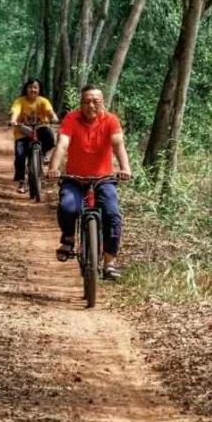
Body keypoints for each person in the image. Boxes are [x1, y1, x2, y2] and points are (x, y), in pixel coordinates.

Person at [47, 85, 132, 281]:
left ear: (103, 103)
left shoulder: (111, 120)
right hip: (74, 178)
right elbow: (62, 144)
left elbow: (118, 145)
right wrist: (53, 168)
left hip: (104, 179)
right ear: (80, 103)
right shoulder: (71, 119)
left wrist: (125, 168)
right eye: (86, 101)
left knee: (112, 214)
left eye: (95, 101)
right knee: (67, 207)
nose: (91, 105)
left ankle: (109, 263)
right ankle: (69, 238)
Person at [9, 78, 58, 193]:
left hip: (40, 129)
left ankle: (43, 154)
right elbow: (15, 111)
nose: (33, 90)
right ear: (26, 89)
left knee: (49, 135)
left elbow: (49, 111)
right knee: (20, 156)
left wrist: (53, 117)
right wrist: (13, 120)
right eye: (30, 87)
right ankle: (22, 182)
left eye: (35, 87)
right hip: (22, 131)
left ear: (39, 89)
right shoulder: (20, 101)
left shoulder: (43, 101)